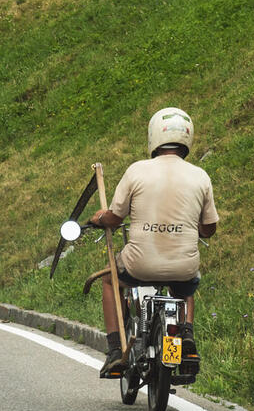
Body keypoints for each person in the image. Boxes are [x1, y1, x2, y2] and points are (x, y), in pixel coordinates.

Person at [87, 107, 219, 378]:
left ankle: (114, 349)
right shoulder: (200, 176)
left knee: (110, 281)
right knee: (186, 285)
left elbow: (114, 218)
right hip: (182, 266)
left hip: (139, 265)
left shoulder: (137, 171)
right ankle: (186, 335)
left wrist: (100, 217)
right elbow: (209, 228)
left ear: (153, 136)